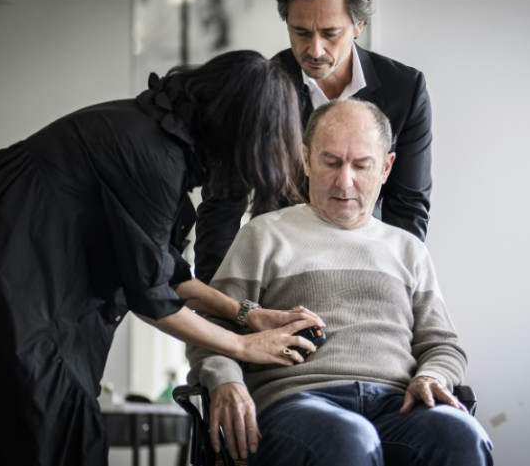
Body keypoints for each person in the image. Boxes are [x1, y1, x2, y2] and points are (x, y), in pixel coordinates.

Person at [0, 50, 325, 466]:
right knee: (43, 431)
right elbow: (151, 299)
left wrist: (245, 314)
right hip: (5, 275)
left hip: (12, 271)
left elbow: (165, 271)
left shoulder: (158, 135)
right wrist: (244, 346)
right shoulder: (153, 155)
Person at [187, 99, 493, 465]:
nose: (344, 181)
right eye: (330, 162)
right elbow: (209, 329)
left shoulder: (408, 250)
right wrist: (225, 381)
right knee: (349, 438)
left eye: (361, 165)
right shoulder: (263, 236)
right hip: (297, 405)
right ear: (305, 160)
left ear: (386, 167)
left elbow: (443, 345)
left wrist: (432, 376)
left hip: (399, 406)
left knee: (461, 436)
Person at [194, 0, 433, 283]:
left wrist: (393, 285)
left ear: (358, 26)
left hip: (366, 264)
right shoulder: (260, 89)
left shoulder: (405, 90)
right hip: (278, 268)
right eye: (301, 32)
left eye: (330, 33)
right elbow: (222, 203)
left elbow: (408, 206)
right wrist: (217, 304)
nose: (315, 50)